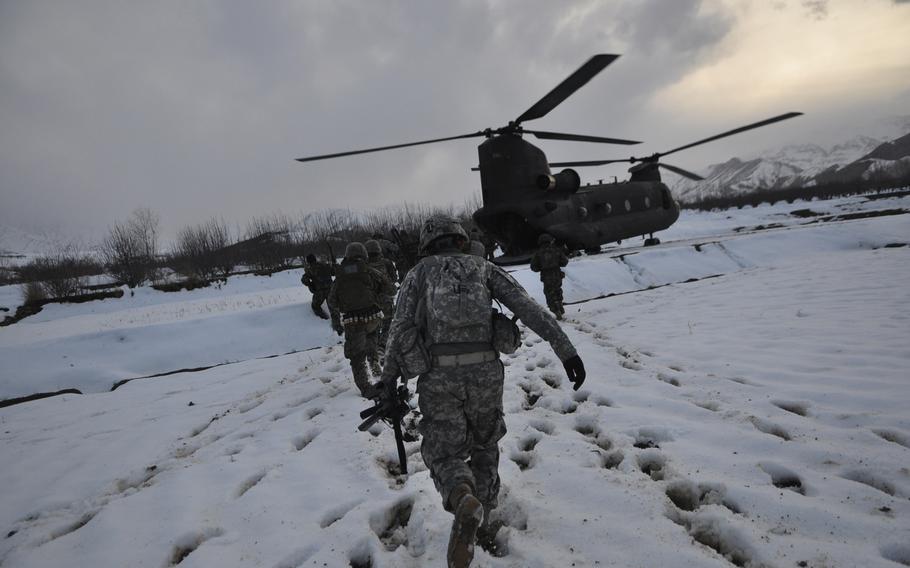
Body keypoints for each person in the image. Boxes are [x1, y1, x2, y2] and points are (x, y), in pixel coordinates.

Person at [378, 217, 586, 568]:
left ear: (428, 243)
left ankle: (462, 498)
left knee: (444, 453)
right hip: (486, 373)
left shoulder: (419, 273)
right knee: (486, 443)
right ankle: (483, 520)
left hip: (439, 376)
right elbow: (528, 307)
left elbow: (399, 329)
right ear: (459, 240)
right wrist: (566, 349)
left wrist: (387, 381)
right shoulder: (484, 269)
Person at [327, 242, 396, 398]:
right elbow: (391, 290)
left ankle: (366, 388)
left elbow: (332, 301)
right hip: (373, 319)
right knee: (371, 340)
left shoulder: (340, 276)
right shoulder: (369, 271)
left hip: (353, 322)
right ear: (364, 254)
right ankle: (375, 366)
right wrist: (376, 295)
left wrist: (337, 320)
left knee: (356, 357)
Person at [364, 239, 398, 370]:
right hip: (386, 301)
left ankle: (374, 354)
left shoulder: (364, 265)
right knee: (387, 326)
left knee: (373, 329)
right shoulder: (387, 263)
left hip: (371, 304)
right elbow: (394, 279)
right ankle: (382, 349)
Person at [530, 233, 569, 320]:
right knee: (557, 290)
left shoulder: (538, 253)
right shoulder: (557, 250)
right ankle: (560, 306)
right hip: (557, 274)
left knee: (549, 293)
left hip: (546, 275)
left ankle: (555, 310)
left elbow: (533, 267)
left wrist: (541, 267)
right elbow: (565, 262)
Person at [300, 253, 335, 319]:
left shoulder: (311, 269)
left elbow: (304, 280)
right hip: (331, 290)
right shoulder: (326, 266)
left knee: (315, 306)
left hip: (320, 292)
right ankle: (336, 319)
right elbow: (333, 272)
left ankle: (324, 318)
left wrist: (310, 284)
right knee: (332, 307)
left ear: (308, 262)